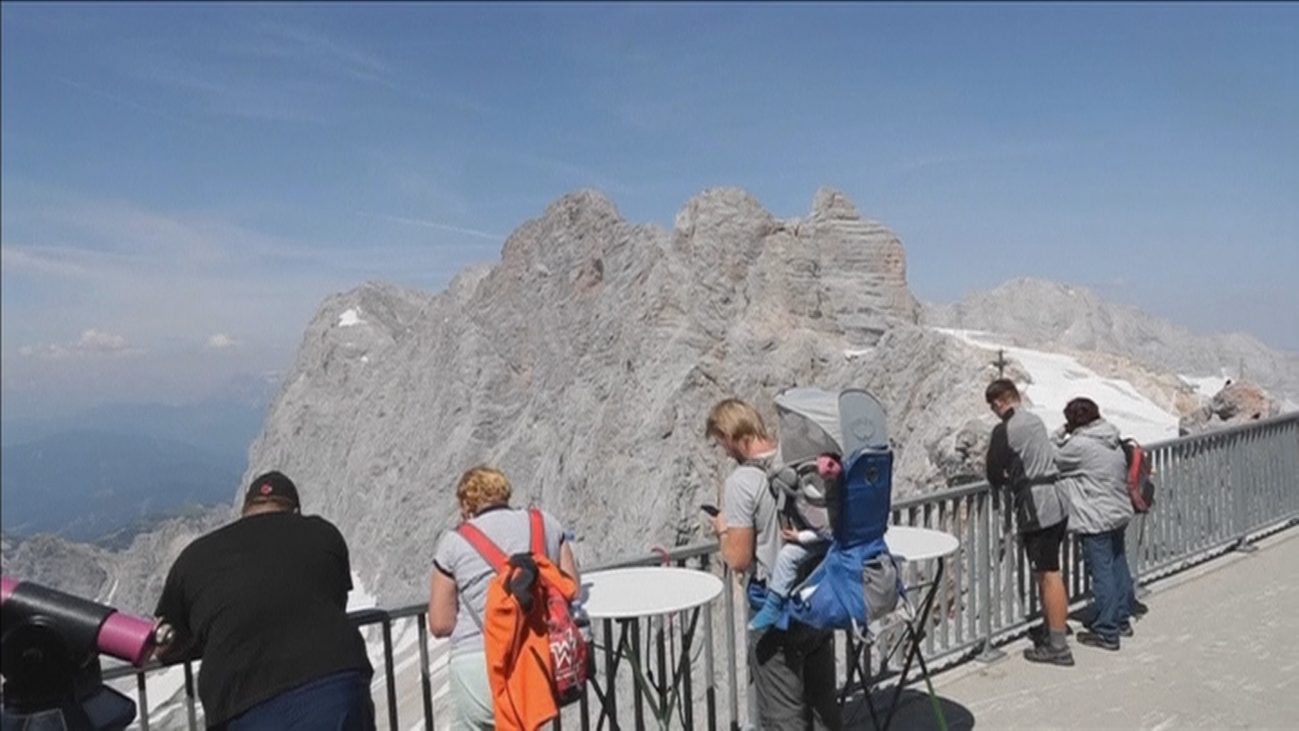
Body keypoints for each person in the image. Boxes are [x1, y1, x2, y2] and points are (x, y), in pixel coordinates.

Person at [154, 471, 375, 730]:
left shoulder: (194, 557)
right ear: (295, 511)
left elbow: (165, 641)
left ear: (245, 510)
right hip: (336, 684)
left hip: (242, 699)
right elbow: (335, 602)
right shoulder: (323, 533)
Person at [706, 398, 841, 730]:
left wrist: (723, 528)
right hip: (817, 598)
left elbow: (738, 558)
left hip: (776, 611)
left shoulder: (742, 482)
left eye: (721, 442)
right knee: (822, 704)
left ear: (730, 433)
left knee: (783, 715)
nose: (723, 451)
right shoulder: (797, 461)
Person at [427, 466, 579, 730]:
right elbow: (570, 587)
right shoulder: (546, 523)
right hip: (535, 661)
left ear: (467, 503)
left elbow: (441, 623)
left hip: (479, 665)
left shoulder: (455, 541)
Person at [984, 379, 1074, 666]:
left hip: (1037, 505)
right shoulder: (1034, 420)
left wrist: (1008, 476)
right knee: (1048, 571)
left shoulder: (1005, 429)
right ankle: (1052, 628)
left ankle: (1058, 646)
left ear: (999, 402)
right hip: (1057, 499)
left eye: (992, 406)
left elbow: (993, 472)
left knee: (1048, 573)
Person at [1053, 397, 1136, 651]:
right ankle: (1122, 618)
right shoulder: (1110, 437)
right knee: (1118, 564)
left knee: (1101, 572)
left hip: (1095, 516)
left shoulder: (1079, 445)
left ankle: (1107, 630)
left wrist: (1060, 433)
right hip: (1117, 510)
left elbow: (1049, 456)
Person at [749, 454, 840, 630]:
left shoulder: (815, 492)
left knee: (787, 556)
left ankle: (773, 606)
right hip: (843, 537)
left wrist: (800, 537)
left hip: (832, 540)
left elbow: (826, 531)